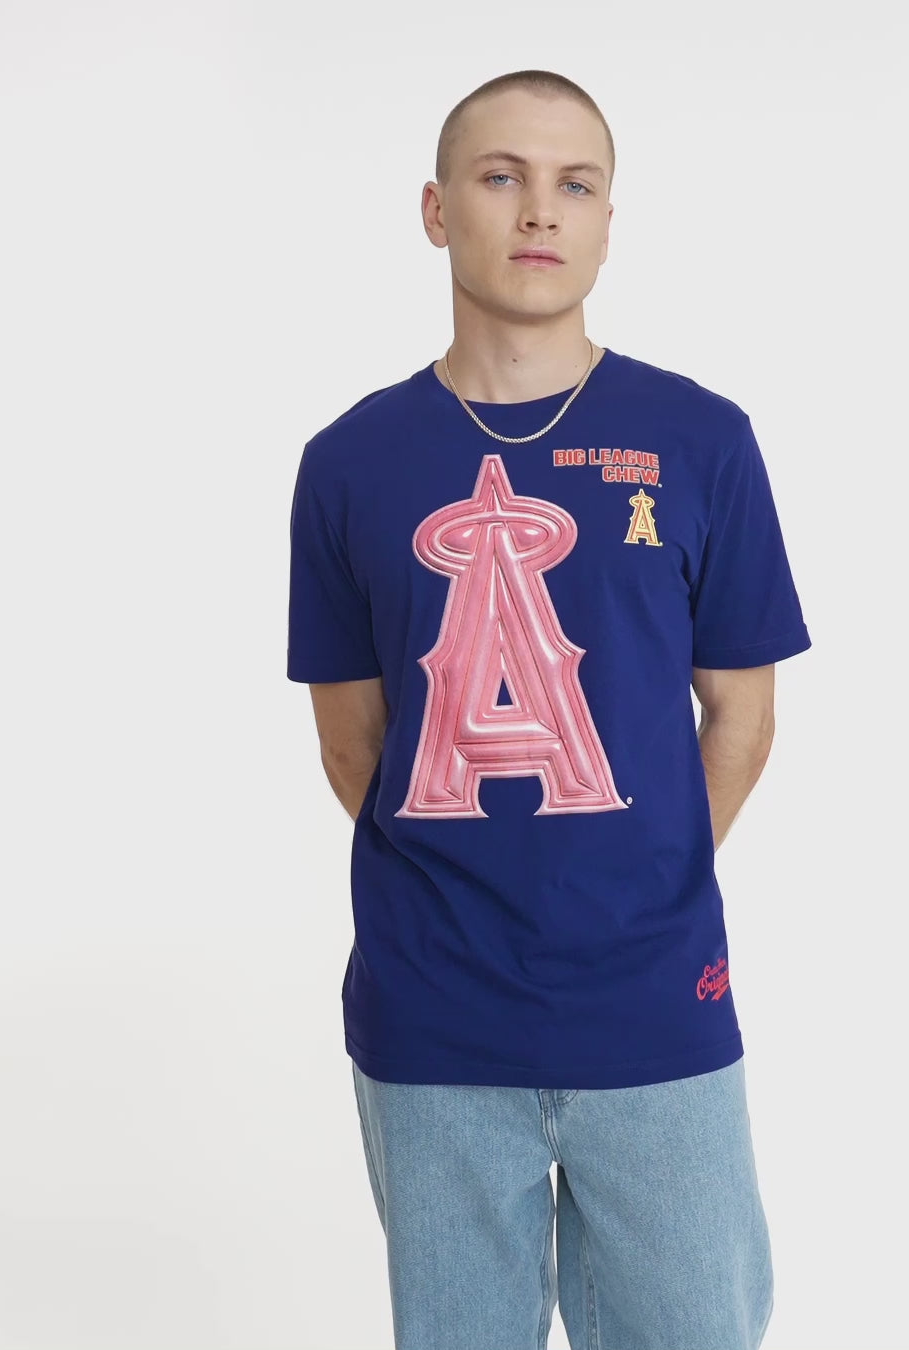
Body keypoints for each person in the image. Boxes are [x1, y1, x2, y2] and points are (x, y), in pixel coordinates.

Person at [287, 67, 811, 1350]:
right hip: (433, 1019)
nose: (539, 210)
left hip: (656, 1006)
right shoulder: (348, 463)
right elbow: (354, 744)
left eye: (575, 183)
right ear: (436, 210)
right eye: (501, 176)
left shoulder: (701, 440)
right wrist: (481, 886)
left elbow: (743, 719)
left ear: (607, 222)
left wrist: (634, 877)